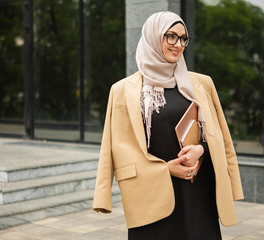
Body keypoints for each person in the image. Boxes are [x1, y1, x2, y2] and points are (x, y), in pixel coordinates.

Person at [93, 11, 244, 240]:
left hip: (198, 193)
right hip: (150, 196)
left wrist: (201, 149)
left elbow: (220, 136)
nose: (178, 44)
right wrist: (166, 170)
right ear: (153, 37)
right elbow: (111, 148)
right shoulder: (123, 90)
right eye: (170, 36)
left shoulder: (202, 84)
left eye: (183, 38)